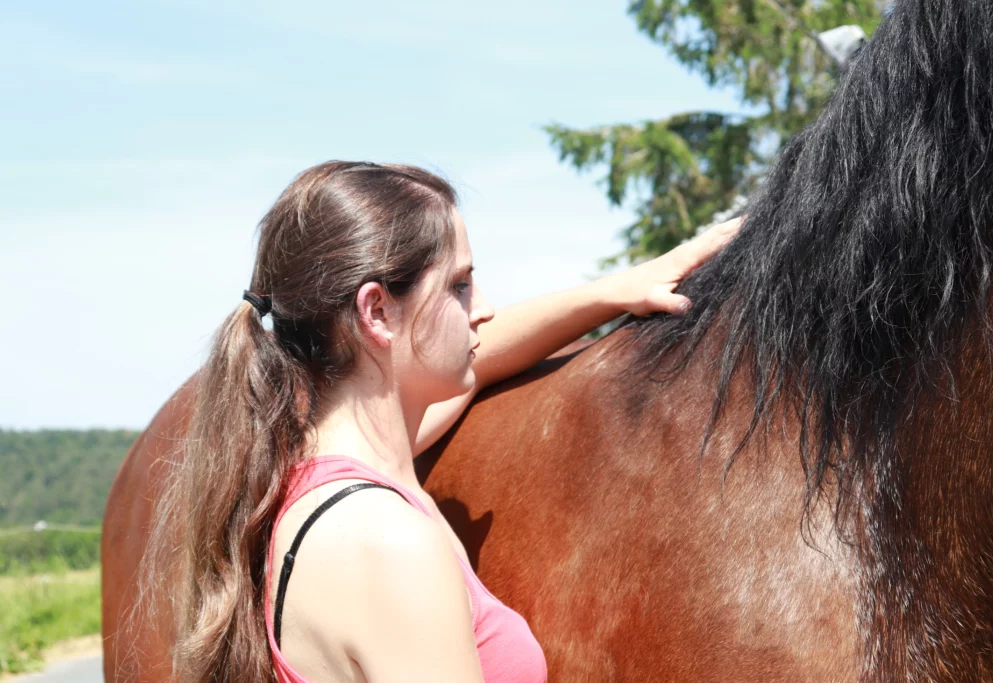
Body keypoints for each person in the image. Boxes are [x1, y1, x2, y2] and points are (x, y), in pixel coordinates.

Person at [142, 160, 740, 683]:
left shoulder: (301, 471)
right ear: (376, 311)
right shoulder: (386, 540)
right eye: (459, 285)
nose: (482, 310)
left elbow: (476, 358)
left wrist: (614, 293)